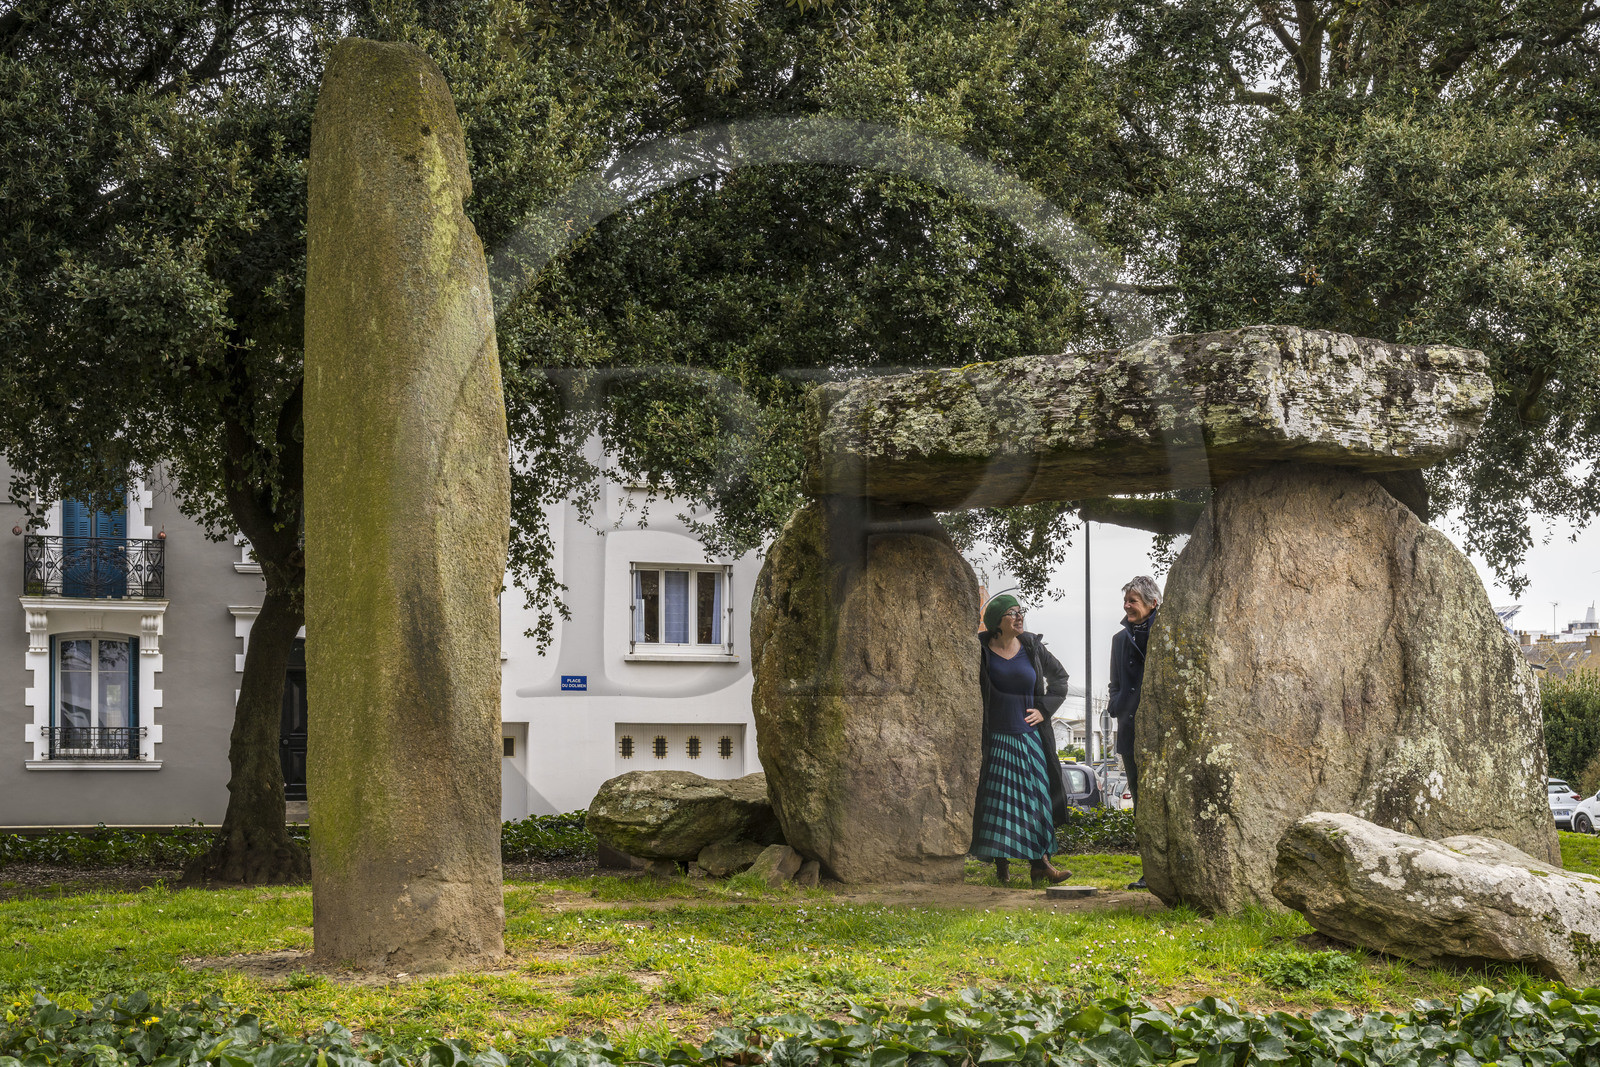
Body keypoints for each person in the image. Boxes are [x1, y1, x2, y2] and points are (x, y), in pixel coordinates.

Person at [970, 593, 1072, 887]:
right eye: (1012, 613)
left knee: (1036, 801)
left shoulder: (1031, 646)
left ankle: (1040, 865)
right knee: (998, 803)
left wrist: (1044, 709)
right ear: (996, 623)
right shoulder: (981, 651)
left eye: (1020, 611)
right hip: (997, 740)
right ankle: (1001, 867)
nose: (1019, 616)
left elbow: (1060, 679)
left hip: (1030, 740)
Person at [1108, 575, 1159, 890]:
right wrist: (1116, 703)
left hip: (1159, 730)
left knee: (1160, 801)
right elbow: (1114, 681)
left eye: (1133, 601)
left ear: (1153, 604)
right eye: (1126, 600)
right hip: (1129, 728)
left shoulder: (1166, 633)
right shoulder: (1119, 639)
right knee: (1140, 803)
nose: (1127, 606)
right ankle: (1149, 870)